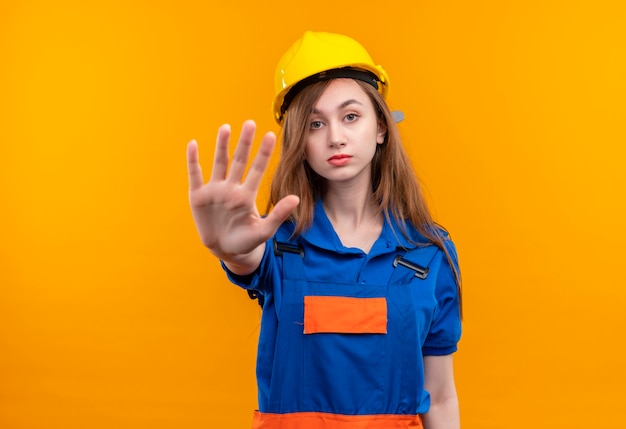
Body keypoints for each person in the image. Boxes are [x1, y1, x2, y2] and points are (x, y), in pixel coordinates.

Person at [187, 31, 462, 429]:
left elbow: (439, 397)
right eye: (315, 124)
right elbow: (247, 259)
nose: (335, 137)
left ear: (381, 127)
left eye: (351, 116)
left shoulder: (428, 252)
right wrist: (227, 249)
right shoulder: (277, 244)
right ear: (300, 142)